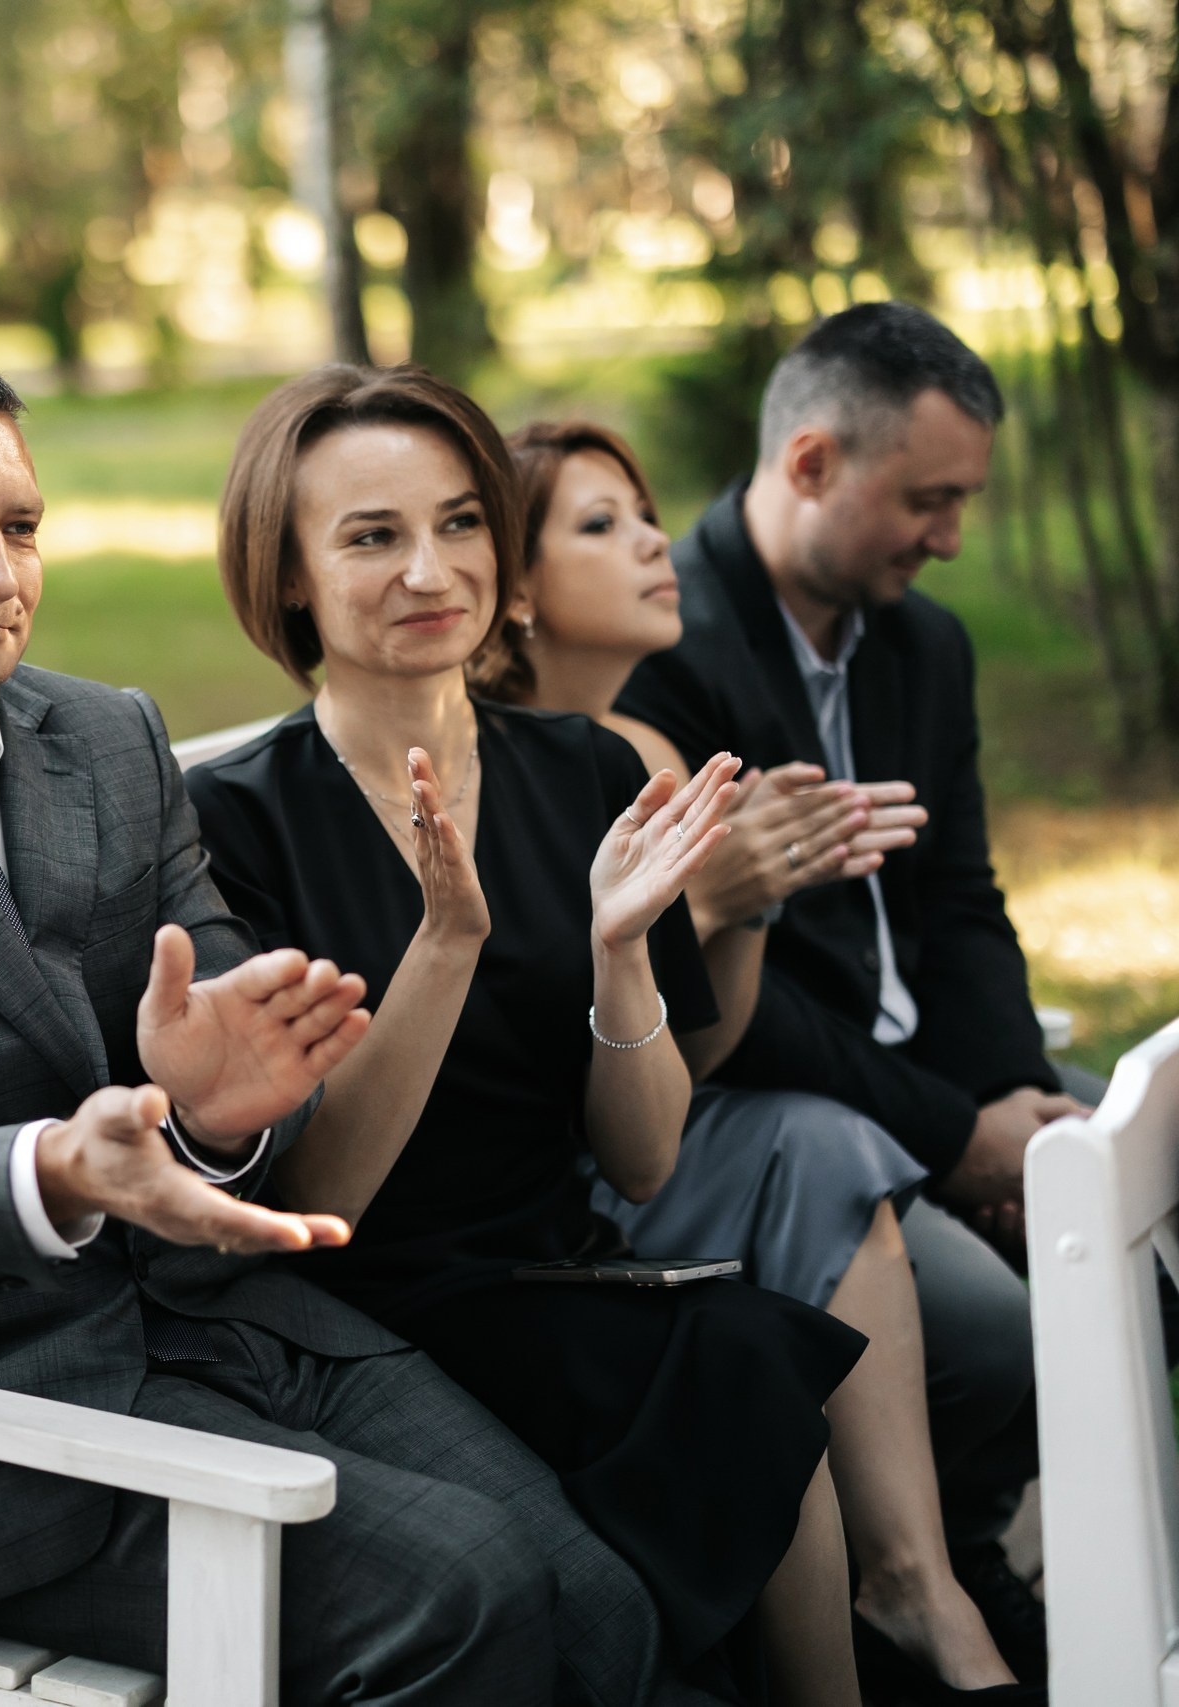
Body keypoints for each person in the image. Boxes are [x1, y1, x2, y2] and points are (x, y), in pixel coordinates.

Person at [0, 343, 725, 1707]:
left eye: (18, 525)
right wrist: (55, 1168)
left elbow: (239, 1052)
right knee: (464, 1592)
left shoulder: (105, 737)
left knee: (607, 1600)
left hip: (223, 1324)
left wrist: (216, 1106)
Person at [186, 363, 884, 1705]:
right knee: (732, 1375)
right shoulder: (235, 824)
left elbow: (643, 1161)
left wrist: (621, 950)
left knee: (746, 1360)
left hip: (561, 1266)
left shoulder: (594, 770)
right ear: (288, 577)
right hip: (366, 1308)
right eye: (371, 535)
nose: (429, 568)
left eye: (459, 522)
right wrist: (445, 941)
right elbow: (319, 1199)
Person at [486, 418, 1025, 1697]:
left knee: (823, 1143)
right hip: (548, 1174)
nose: (653, 541)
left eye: (645, 512)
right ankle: (912, 1596)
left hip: (657, 1127)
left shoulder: (652, 753)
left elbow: (711, 1038)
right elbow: (527, 1049)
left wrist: (749, 906)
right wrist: (706, 902)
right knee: (841, 1182)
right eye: (599, 524)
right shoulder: (493, 763)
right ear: (514, 586)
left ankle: (921, 1582)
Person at [614, 302, 1078, 1663]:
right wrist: (959, 1134)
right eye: (928, 500)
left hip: (929, 1067)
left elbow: (961, 899)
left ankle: (978, 1540)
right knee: (994, 1326)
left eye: (962, 502)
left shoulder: (925, 646)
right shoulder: (661, 651)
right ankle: (938, 1590)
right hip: (770, 1084)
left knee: (1131, 1190)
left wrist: (1017, 1102)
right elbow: (744, 1014)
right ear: (810, 462)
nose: (949, 538)